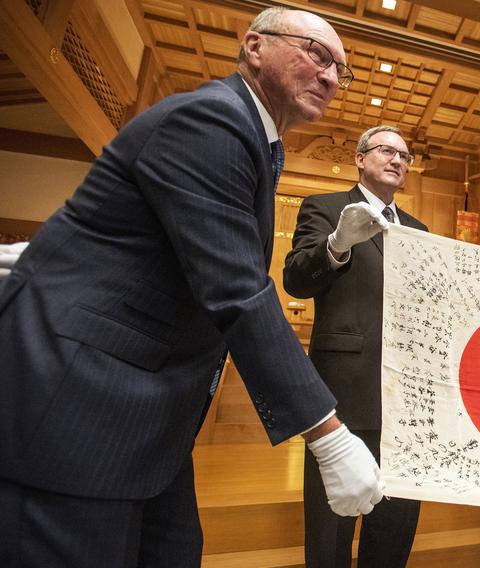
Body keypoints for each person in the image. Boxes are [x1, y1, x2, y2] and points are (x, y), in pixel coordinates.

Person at [0, 7, 382, 567]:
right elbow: (239, 291)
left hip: (151, 417)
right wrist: (327, 432)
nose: (330, 76)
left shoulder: (257, 140)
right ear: (255, 47)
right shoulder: (212, 119)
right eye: (317, 54)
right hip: (81, 405)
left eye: (341, 71)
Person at [284, 124, 427, 568]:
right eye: (387, 150)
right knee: (331, 532)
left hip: (408, 401)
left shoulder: (419, 229)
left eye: (404, 155)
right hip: (343, 393)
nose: (397, 160)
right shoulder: (326, 208)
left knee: (394, 529)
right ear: (361, 158)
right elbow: (295, 279)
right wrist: (337, 244)